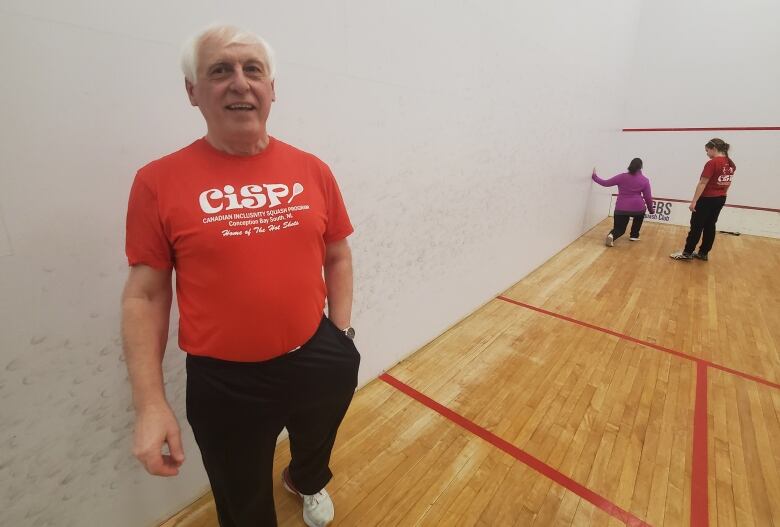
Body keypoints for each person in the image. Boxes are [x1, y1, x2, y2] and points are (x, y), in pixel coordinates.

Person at [121, 24, 359, 527]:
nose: (239, 82)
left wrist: (341, 334)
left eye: (253, 70)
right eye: (219, 71)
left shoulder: (312, 169)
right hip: (225, 381)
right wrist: (149, 405)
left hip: (318, 353)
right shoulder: (156, 181)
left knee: (316, 443)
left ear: (271, 89)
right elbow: (144, 296)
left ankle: (307, 481)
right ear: (193, 91)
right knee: (242, 499)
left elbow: (337, 253)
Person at [671, 138, 735, 261]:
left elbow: (702, 183)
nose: (706, 154)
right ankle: (703, 253)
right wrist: (723, 193)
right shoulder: (731, 163)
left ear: (714, 149)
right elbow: (727, 182)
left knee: (696, 226)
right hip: (721, 199)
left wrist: (694, 201)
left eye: (707, 151)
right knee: (710, 225)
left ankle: (687, 253)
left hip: (706, 199)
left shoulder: (712, 163)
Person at [591, 158, 655, 246]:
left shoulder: (621, 177)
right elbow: (647, 197)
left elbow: (605, 183)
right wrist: (651, 210)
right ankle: (634, 235)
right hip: (638, 208)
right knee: (640, 215)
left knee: (620, 229)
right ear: (641, 167)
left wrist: (594, 176)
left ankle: (612, 235)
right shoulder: (644, 180)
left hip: (621, 208)